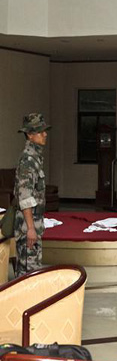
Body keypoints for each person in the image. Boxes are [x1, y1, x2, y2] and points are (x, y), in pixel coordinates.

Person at [14, 113, 51, 277]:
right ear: (29, 134)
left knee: (31, 272)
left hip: (34, 222)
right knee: (28, 274)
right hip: (27, 223)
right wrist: (30, 228)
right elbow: (25, 197)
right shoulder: (28, 160)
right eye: (40, 131)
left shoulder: (35, 157)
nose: (45, 134)